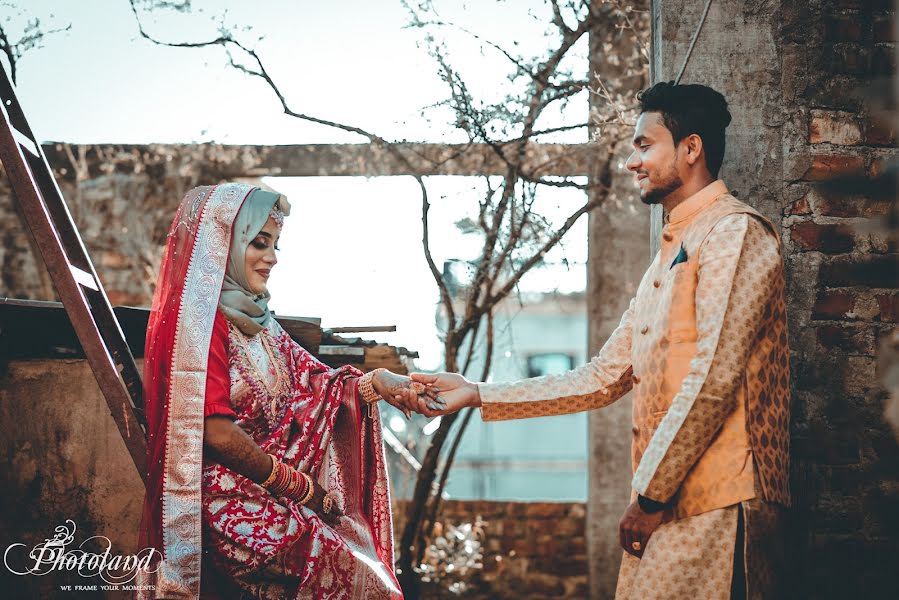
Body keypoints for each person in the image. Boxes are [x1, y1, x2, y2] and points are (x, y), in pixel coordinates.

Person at [407, 82, 791, 600]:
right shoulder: (666, 260)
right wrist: (477, 393)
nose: (633, 161)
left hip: (720, 510)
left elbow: (715, 377)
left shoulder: (735, 234)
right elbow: (602, 376)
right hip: (668, 508)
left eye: (644, 145)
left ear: (691, 148)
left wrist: (651, 497)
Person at [137, 183, 432, 599]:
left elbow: (317, 385)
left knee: (361, 559)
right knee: (356, 575)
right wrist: (301, 488)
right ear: (223, 241)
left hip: (273, 494)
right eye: (259, 243)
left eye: (276, 245)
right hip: (222, 502)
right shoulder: (198, 326)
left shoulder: (258, 322)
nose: (272, 258)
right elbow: (214, 433)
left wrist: (377, 383)